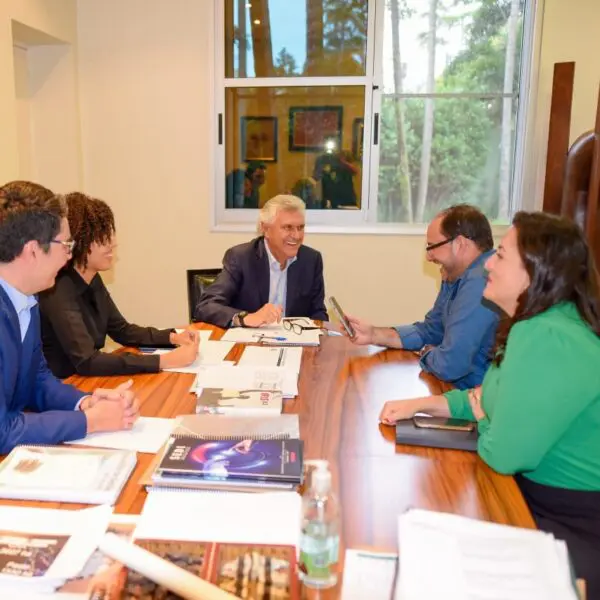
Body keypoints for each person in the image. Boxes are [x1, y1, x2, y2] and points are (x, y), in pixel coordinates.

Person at [379, 212, 600, 598]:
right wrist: (428, 404)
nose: (489, 264)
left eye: (500, 254)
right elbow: (489, 397)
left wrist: (485, 419)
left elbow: (503, 454)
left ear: (534, 270)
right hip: (539, 497)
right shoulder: (538, 322)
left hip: (571, 521)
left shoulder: (545, 334)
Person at [0, 180, 140, 454]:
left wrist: (85, 402)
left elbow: (38, 380)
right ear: (32, 251)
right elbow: (3, 431)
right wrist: (87, 422)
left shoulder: (26, 298)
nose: (69, 255)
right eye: (65, 244)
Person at [39, 192, 198, 378]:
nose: (112, 244)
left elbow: (122, 330)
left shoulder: (92, 278)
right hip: (65, 387)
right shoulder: (58, 288)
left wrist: (173, 337)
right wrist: (165, 361)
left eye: (110, 234)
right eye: (101, 237)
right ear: (79, 241)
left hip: (86, 383)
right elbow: (87, 362)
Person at [348, 204, 499, 389]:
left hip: (475, 404)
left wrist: (427, 352)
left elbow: (451, 364)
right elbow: (432, 330)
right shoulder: (457, 275)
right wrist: (374, 334)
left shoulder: (481, 281)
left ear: (459, 244)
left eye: (432, 246)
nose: (428, 256)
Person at [195, 194, 328, 328]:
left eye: (300, 228)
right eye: (288, 227)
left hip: (295, 344)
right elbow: (206, 306)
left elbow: (318, 313)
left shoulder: (311, 260)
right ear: (265, 229)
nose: (296, 236)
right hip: (247, 344)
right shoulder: (241, 258)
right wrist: (245, 318)